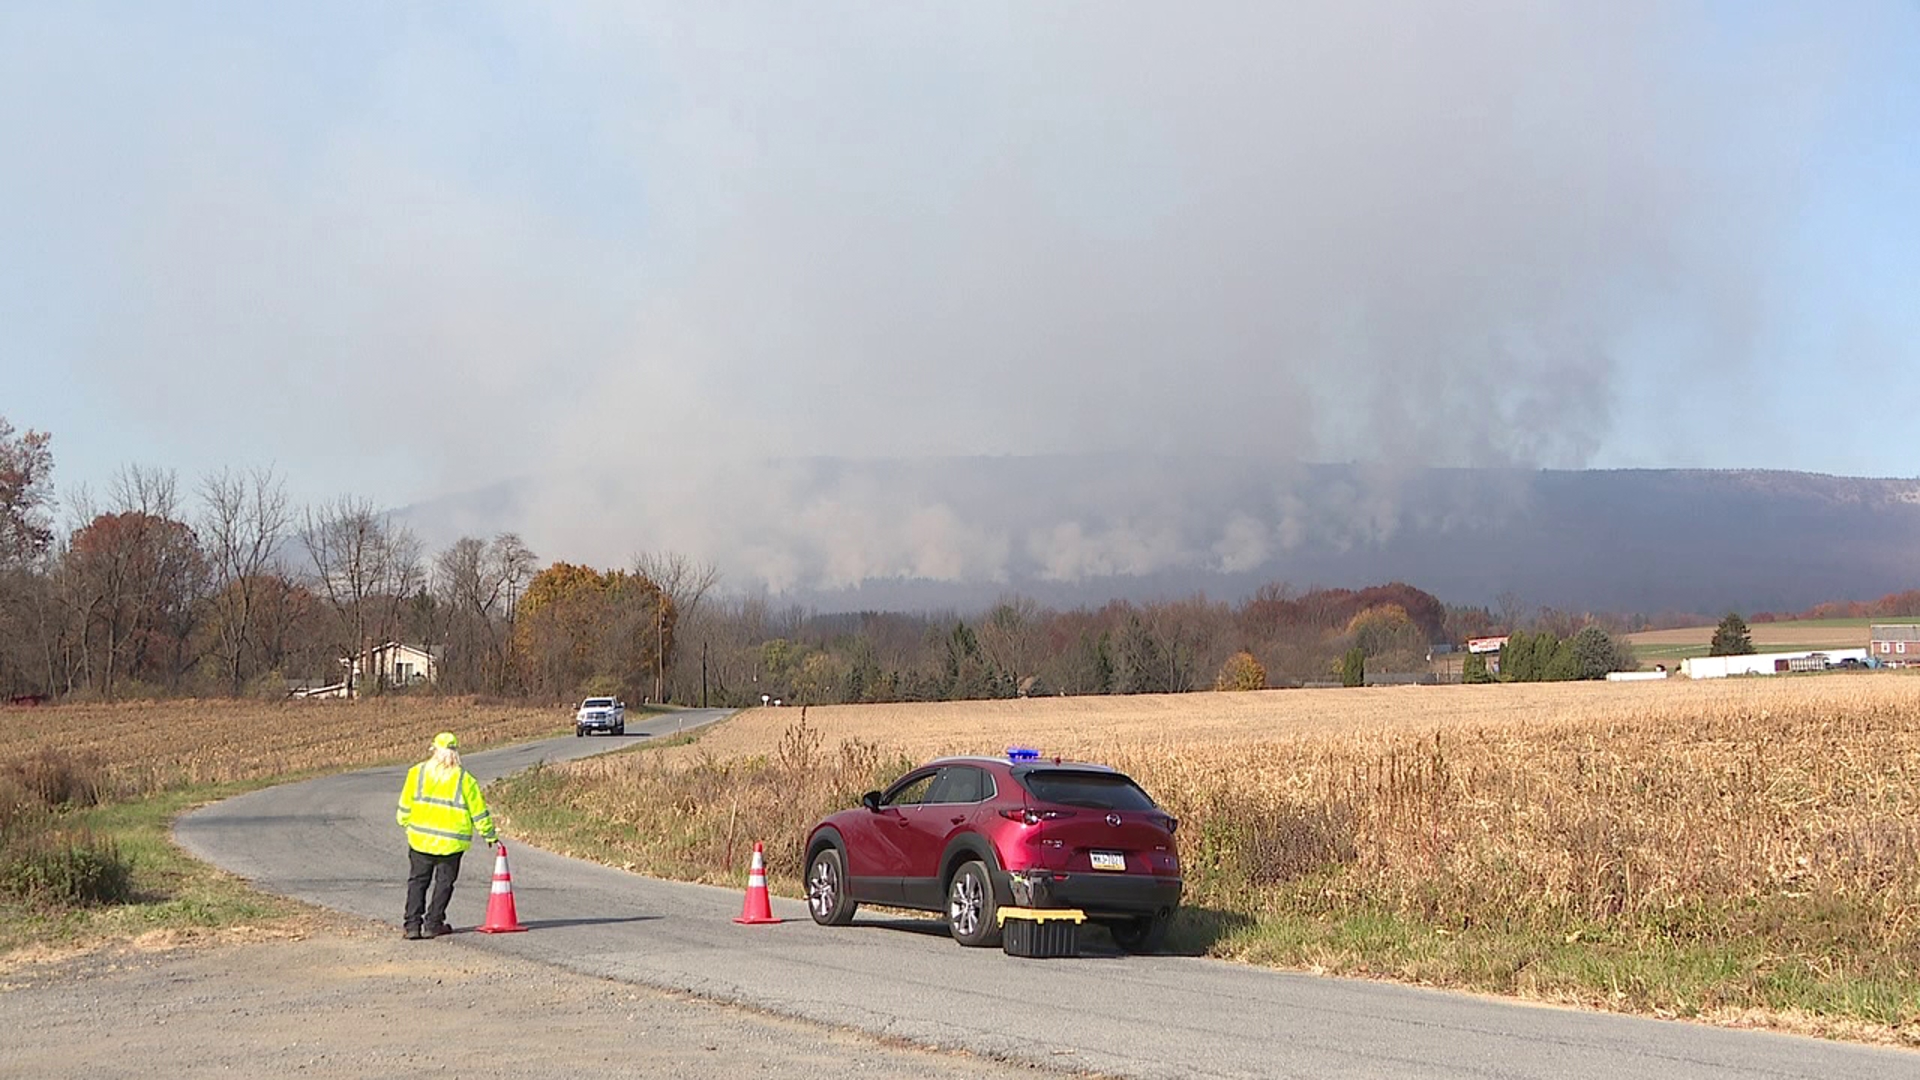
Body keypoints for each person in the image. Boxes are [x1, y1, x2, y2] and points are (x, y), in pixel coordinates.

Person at [395, 731, 499, 939]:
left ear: (434, 749)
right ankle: (434, 923)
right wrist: (489, 835)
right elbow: (478, 810)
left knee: (417, 881)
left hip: (420, 839)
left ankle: (412, 925)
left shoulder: (417, 773)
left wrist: (405, 822)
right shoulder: (464, 779)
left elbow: (406, 804)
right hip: (452, 842)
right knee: (444, 883)